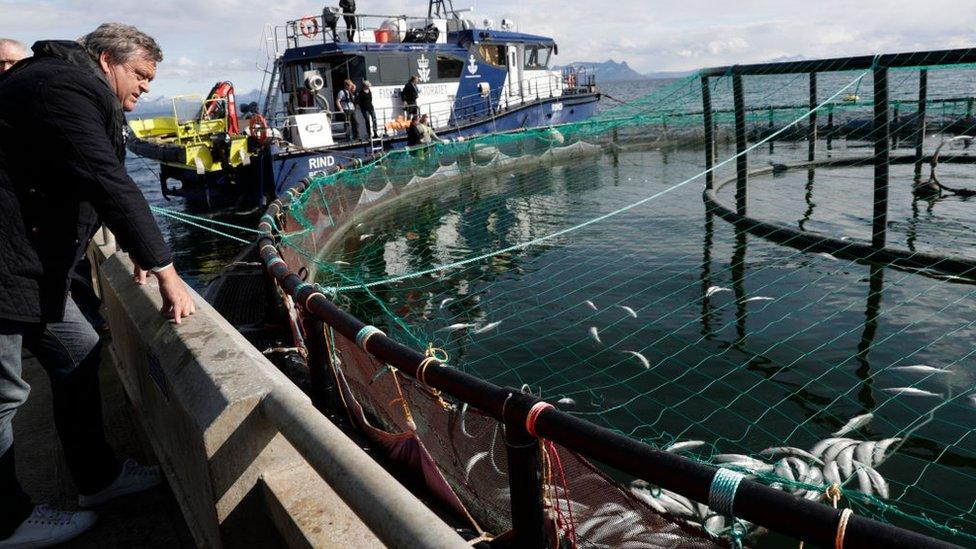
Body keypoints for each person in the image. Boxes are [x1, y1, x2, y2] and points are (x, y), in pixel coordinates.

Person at [0, 23, 196, 547]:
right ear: (108, 60)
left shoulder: (59, 82)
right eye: (142, 75)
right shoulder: (63, 87)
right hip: (6, 265)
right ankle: (6, 521)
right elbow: (108, 178)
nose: (147, 88)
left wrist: (132, 247)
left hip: (30, 266)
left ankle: (97, 478)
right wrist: (166, 272)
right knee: (3, 392)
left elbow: (81, 178)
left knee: (79, 347)